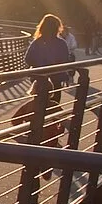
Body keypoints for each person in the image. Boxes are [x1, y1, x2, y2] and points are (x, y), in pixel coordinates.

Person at [24, 13, 76, 141]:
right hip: (56, 78)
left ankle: (36, 126)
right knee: (53, 103)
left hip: (39, 79)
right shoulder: (61, 43)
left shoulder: (37, 42)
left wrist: (40, 65)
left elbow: (28, 59)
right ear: (57, 28)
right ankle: (51, 127)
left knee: (38, 103)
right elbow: (65, 60)